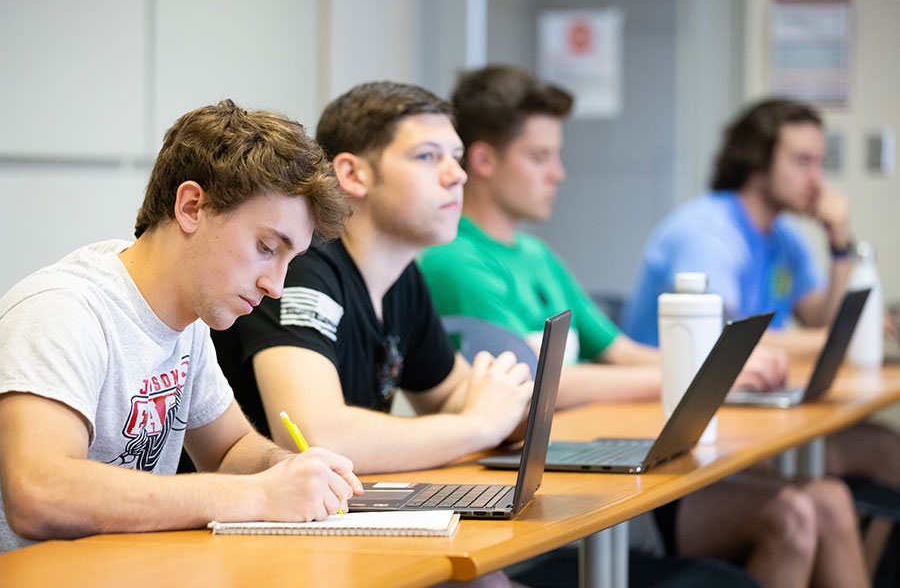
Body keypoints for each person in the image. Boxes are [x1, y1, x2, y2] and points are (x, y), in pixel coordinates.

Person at [418, 65, 868, 587]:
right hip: (543, 497)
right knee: (796, 510)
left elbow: (619, 350)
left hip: (593, 468)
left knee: (808, 506)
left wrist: (712, 367)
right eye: (541, 157)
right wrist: (694, 375)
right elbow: (544, 383)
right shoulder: (456, 260)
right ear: (485, 161)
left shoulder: (535, 253)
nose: (559, 173)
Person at [0, 100, 363, 554]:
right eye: (267, 247)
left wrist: (291, 470)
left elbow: (230, 449)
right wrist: (257, 494)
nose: (276, 287)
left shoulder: (187, 321)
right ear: (192, 206)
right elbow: (39, 493)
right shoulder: (62, 310)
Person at [211, 82, 533, 475]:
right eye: (428, 156)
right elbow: (315, 437)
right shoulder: (301, 265)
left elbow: (451, 395)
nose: (457, 176)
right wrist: (477, 426)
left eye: (457, 157)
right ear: (353, 174)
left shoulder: (402, 276)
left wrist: (509, 405)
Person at [622, 98, 852, 359]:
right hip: (665, 394)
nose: (816, 179)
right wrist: (839, 338)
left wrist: (840, 247)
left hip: (738, 388)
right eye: (802, 161)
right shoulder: (707, 234)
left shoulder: (784, 236)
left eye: (819, 162)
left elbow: (819, 320)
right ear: (757, 161)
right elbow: (725, 344)